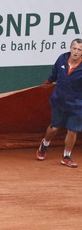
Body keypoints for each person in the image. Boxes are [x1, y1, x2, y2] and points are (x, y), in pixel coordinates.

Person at [36, 38, 82, 168]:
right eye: (74, 48)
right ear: (70, 48)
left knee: (72, 131)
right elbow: (54, 74)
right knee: (54, 128)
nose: (76, 52)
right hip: (59, 101)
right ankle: (44, 144)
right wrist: (48, 81)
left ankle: (66, 156)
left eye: (79, 50)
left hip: (77, 105)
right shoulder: (62, 58)